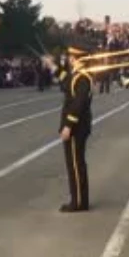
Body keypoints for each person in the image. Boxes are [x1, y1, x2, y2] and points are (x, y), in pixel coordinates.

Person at [47, 46, 93, 213]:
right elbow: (66, 83)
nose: (68, 59)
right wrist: (54, 67)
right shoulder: (77, 76)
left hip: (76, 128)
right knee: (75, 163)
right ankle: (80, 199)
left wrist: (68, 126)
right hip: (77, 126)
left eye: (70, 57)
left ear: (76, 58)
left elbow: (77, 105)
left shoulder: (82, 78)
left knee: (75, 165)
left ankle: (78, 202)